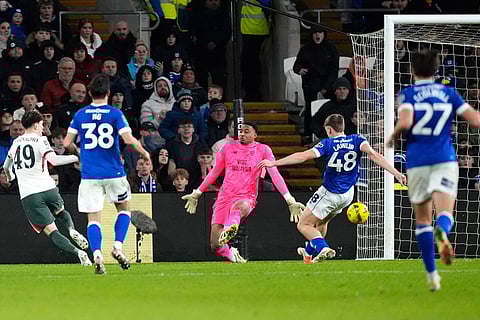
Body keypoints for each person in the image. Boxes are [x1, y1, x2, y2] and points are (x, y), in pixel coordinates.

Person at [387, 49, 480, 291]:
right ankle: (443, 231)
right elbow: (475, 120)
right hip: (445, 159)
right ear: (436, 70)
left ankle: (432, 276)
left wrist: (393, 137)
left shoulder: (408, 94)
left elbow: (405, 123)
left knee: (422, 220)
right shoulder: (448, 92)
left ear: (412, 70)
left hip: (417, 161)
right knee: (446, 212)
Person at [258, 114, 406, 264]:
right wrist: (396, 173)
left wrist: (274, 163)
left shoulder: (327, 144)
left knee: (303, 224)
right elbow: (374, 155)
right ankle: (309, 253)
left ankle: (323, 248)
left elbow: (302, 156)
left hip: (330, 192)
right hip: (348, 194)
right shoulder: (358, 139)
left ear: (329, 129)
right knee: (321, 223)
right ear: (343, 127)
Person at [181, 121, 305, 263]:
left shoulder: (263, 150)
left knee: (239, 207)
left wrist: (290, 200)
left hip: (247, 196)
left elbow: (275, 175)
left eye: (246, 131)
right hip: (224, 196)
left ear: (255, 135)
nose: (242, 133)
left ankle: (229, 228)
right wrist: (197, 193)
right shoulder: (227, 148)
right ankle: (230, 252)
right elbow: (214, 172)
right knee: (215, 244)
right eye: (241, 131)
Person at [64, 73, 151, 274]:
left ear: (89, 93)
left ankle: (97, 254)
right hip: (114, 172)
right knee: (124, 210)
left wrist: (79, 153)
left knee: (93, 219)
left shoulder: (80, 114)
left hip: (89, 175)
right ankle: (118, 247)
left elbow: (67, 143)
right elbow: (128, 139)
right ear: (108, 93)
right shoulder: (114, 114)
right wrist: (144, 152)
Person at [2, 110, 91, 265]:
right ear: (36, 124)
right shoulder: (41, 140)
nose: (43, 128)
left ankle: (79, 253)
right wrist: (76, 157)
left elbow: (6, 166)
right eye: (42, 124)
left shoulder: (16, 142)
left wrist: (11, 177)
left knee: (52, 231)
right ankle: (71, 229)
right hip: (48, 188)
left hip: (30, 195)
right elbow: (53, 160)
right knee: (61, 212)